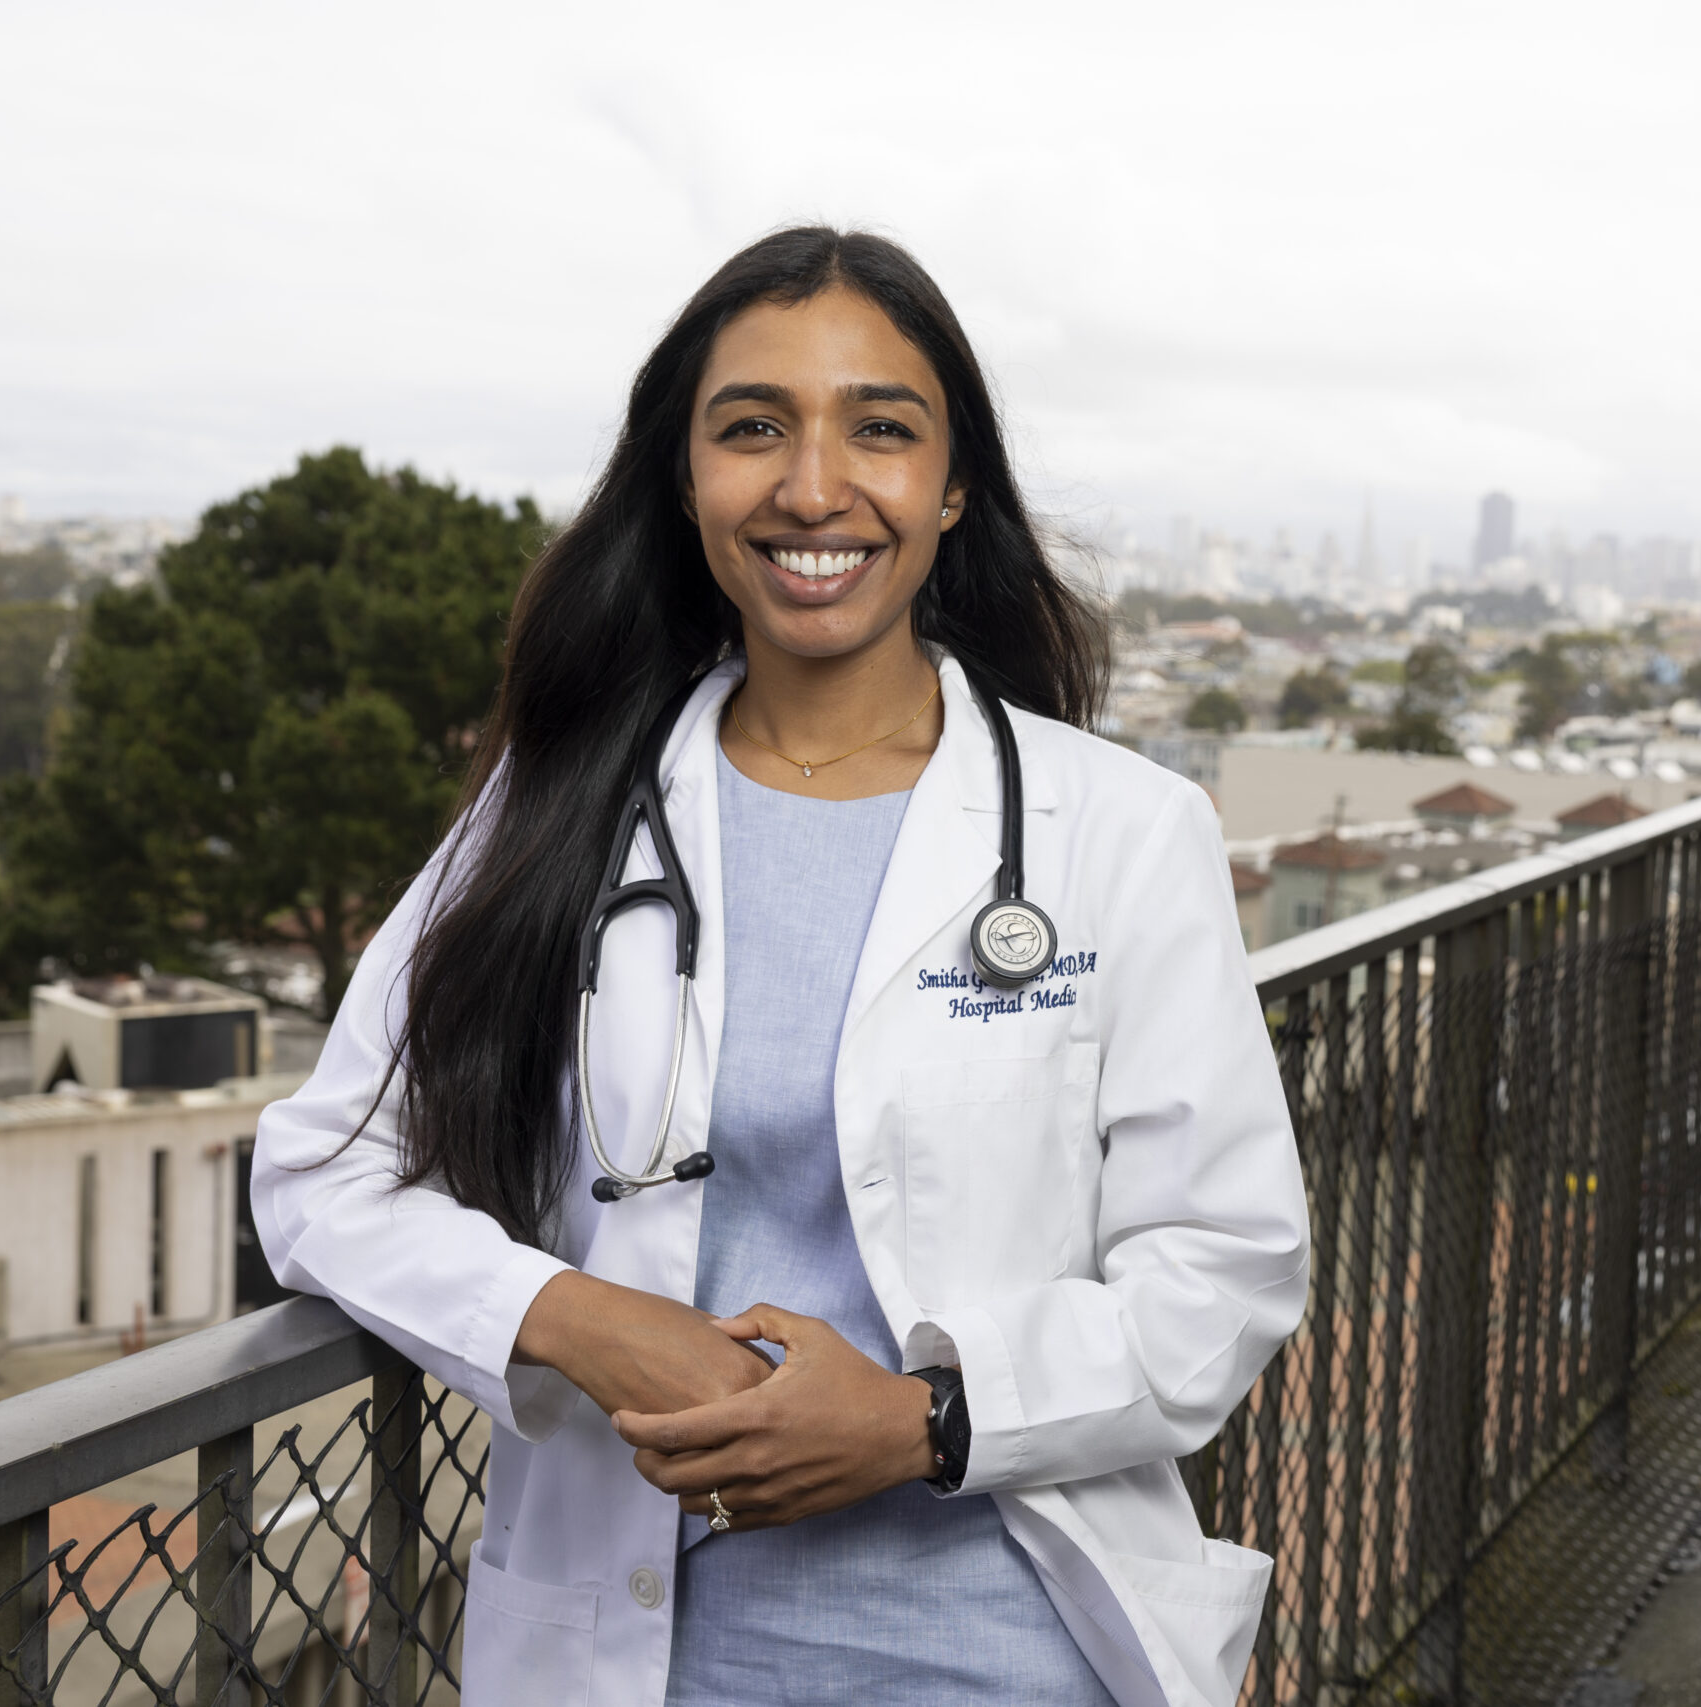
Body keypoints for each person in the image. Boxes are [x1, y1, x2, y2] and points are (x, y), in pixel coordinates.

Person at [251, 227, 1309, 1707]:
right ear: (685, 484)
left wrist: (920, 1422)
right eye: (754, 429)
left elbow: (1225, 1267)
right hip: (631, 1658)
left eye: (880, 429)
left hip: (1007, 1653)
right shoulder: (560, 812)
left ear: (953, 488)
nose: (815, 488)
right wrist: (580, 1320)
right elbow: (322, 1172)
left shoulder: (1120, 832)